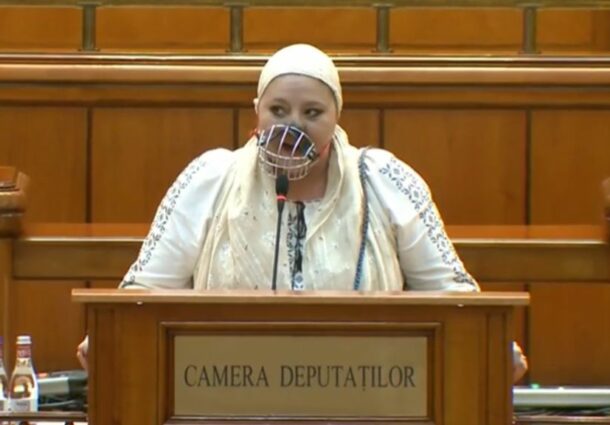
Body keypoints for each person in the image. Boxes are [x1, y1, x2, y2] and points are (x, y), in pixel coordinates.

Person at [77, 43, 527, 382]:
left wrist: (491, 347)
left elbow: (449, 293)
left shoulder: (383, 181)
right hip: (228, 388)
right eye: (278, 110)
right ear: (256, 112)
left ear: (336, 116)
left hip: (365, 388)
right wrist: (110, 338)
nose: (292, 125)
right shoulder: (211, 178)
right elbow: (148, 290)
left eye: (312, 112)